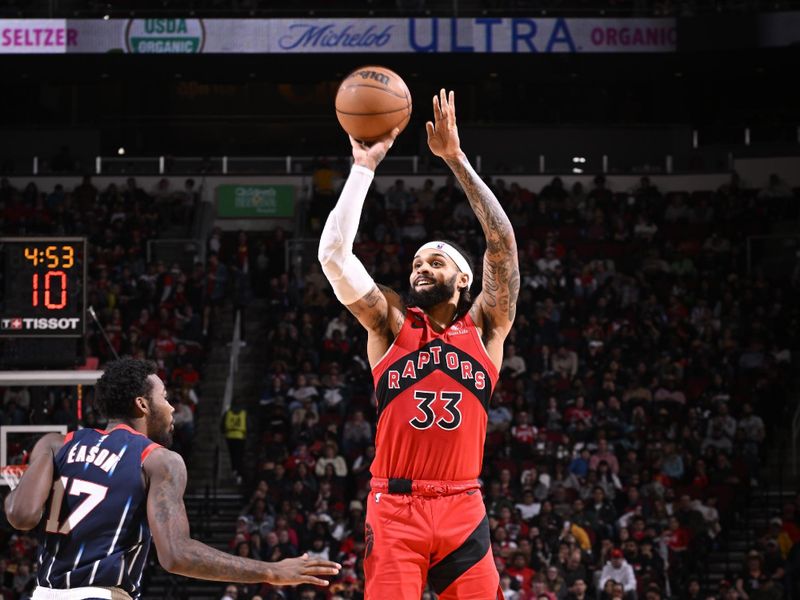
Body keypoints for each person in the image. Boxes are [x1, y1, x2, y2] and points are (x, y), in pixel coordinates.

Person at [318, 88, 519, 599]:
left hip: (463, 506)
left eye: (436, 261)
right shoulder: (388, 325)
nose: (421, 267)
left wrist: (455, 160)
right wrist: (363, 168)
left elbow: (502, 244)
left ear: (464, 280)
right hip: (396, 507)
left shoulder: (487, 328)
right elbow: (335, 257)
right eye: (415, 263)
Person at [4, 358, 340, 600]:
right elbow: (177, 555)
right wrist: (271, 571)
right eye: (164, 397)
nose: (172, 408)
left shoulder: (53, 443)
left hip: (44, 593)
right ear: (142, 404)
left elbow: (20, 517)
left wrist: (23, 475)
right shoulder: (159, 460)